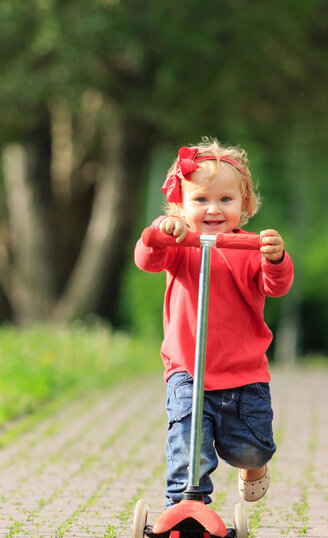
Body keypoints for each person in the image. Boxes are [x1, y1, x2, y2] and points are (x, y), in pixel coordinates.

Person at [134, 138, 294, 507]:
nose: (213, 209)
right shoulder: (179, 245)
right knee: (189, 444)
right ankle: (185, 504)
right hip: (188, 369)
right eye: (201, 200)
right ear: (180, 206)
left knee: (251, 449)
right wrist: (162, 229)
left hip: (244, 373)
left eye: (225, 200)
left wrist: (275, 258)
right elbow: (147, 258)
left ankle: (253, 467)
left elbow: (276, 286)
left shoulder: (252, 248)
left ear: (246, 205)